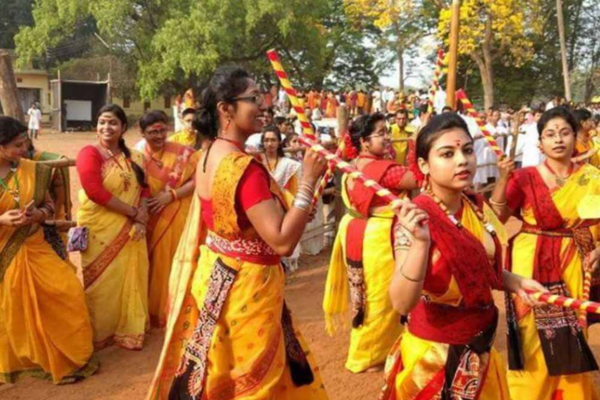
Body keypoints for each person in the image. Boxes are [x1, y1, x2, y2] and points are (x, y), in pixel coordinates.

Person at [148, 66, 329, 400]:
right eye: (254, 98)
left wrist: (299, 205)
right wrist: (307, 182)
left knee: (223, 373)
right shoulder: (242, 169)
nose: (264, 105)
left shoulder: (208, 156)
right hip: (248, 288)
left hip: (217, 278)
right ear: (225, 109)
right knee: (255, 384)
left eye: (263, 97)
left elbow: (241, 221)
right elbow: (282, 240)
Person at [380, 112, 545, 399]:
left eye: (467, 150)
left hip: (480, 349)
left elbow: (478, 269)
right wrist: (420, 244)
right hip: (434, 360)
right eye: (447, 153)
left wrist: (517, 282)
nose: (462, 160)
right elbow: (402, 302)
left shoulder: (475, 207)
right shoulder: (415, 219)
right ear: (424, 165)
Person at [490, 106, 600, 400]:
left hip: (574, 261)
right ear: (539, 143)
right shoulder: (524, 177)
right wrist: (502, 179)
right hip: (529, 260)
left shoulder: (593, 177)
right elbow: (495, 219)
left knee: (572, 332)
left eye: (565, 132)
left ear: (576, 136)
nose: (558, 139)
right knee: (529, 333)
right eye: (550, 134)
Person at [0, 116, 97, 384]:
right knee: (14, 310)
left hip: (36, 244)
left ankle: (68, 359)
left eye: (25, 143)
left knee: (67, 292)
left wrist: (38, 215)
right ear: (0, 147)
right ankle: (32, 361)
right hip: (5, 253)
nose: (24, 150)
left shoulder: (33, 169)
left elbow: (50, 205)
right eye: (18, 145)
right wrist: (2, 220)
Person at [323, 113, 419, 374]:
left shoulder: (354, 164)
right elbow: (417, 179)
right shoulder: (382, 169)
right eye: (381, 133)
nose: (388, 137)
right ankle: (367, 357)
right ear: (364, 141)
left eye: (387, 131)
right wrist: (417, 151)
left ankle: (375, 351)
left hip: (356, 232)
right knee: (381, 298)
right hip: (376, 238)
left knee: (365, 297)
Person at [76, 104, 151, 350]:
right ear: (96, 126)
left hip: (132, 228)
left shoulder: (135, 157)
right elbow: (94, 191)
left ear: (123, 128)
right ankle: (100, 334)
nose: (107, 127)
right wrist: (133, 214)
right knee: (100, 284)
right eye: (102, 122)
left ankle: (128, 329)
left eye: (113, 123)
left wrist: (141, 215)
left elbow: (144, 188)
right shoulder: (89, 153)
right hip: (100, 229)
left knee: (130, 277)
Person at [138, 110, 200, 328]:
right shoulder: (137, 157)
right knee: (152, 265)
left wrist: (171, 195)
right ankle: (154, 311)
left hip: (177, 215)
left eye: (162, 130)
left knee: (174, 262)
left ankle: (177, 309)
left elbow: (197, 179)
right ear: (142, 133)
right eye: (153, 131)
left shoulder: (184, 153)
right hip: (148, 217)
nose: (158, 135)